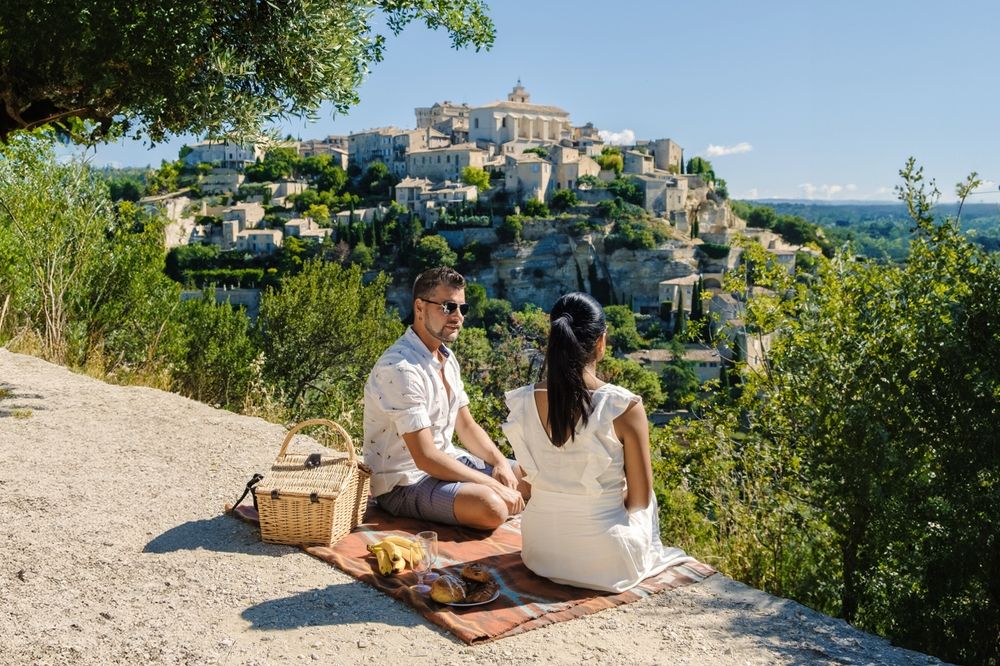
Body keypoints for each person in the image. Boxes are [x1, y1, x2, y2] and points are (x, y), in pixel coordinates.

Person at [501, 292, 692, 592]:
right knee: (647, 494)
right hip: (606, 563)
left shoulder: (523, 401)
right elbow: (640, 500)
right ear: (601, 342)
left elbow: (528, 485)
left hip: (539, 552)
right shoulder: (622, 406)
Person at [363, 267, 527, 530]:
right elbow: (425, 457)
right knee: (492, 506)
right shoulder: (400, 368)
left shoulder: (446, 359)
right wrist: (491, 483)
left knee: (533, 477)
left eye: (463, 308)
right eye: (448, 307)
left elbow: (467, 426)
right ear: (420, 307)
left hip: (449, 463)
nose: (458, 317)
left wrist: (499, 463)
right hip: (405, 482)